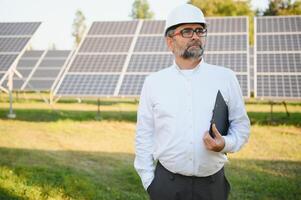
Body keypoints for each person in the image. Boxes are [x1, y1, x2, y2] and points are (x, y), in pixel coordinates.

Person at [134, 3, 250, 200]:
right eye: (187, 31)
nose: (195, 36)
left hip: (213, 186)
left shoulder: (226, 77)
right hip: (166, 185)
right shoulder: (154, 82)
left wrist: (225, 144)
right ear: (169, 41)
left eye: (199, 30)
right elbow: (144, 134)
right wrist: (149, 182)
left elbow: (242, 126)